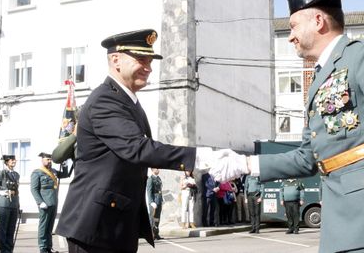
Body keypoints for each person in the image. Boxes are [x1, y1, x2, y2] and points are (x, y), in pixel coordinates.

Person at [210, 0, 364, 252]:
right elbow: (308, 158)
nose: (290, 36)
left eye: (293, 26)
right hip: (339, 219)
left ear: (318, 21)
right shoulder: (319, 79)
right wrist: (245, 163)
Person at [53, 29, 225, 252]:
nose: (149, 67)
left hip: (115, 223)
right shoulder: (105, 100)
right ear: (116, 60)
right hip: (95, 227)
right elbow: (137, 148)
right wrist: (200, 157)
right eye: (141, 59)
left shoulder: (127, 101)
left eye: (150, 61)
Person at [30, 152, 69, 253]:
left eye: (50, 160)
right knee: (43, 227)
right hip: (45, 204)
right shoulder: (37, 172)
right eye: (47, 159)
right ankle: (42, 248)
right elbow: (34, 189)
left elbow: (65, 175)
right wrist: (40, 202)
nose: (50, 161)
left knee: (50, 227)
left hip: (54, 202)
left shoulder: (53, 171)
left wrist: (65, 165)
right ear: (42, 160)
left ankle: (48, 247)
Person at [0, 155, 20, 253]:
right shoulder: (2, 173)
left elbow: (16, 190)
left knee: (11, 229)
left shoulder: (16, 174)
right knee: (3, 229)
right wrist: (0, 192)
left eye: (15, 159)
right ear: (6, 162)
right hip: (4, 204)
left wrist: (18, 204)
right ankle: (4, 251)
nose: (14, 161)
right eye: (12, 160)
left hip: (13, 204)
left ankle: (9, 250)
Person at [146, 168, 163, 240]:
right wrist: (151, 202)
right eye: (157, 169)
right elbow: (149, 191)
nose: (158, 170)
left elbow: (160, 189)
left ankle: (156, 233)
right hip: (154, 201)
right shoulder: (150, 179)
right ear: (152, 170)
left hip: (159, 200)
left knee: (157, 218)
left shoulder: (158, 178)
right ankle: (151, 234)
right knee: (152, 218)